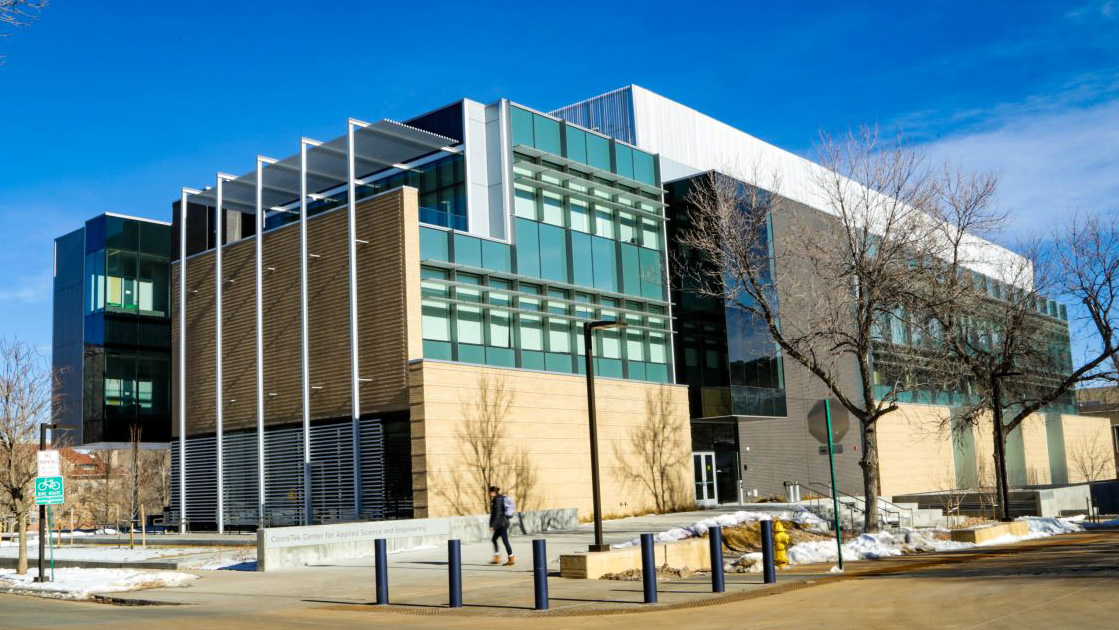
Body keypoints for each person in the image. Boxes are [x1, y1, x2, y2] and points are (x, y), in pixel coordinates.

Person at [488, 485, 514, 566]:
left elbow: (497, 514)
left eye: (489, 492)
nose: (488, 494)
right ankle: (497, 557)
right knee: (494, 539)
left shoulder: (497, 500)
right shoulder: (497, 499)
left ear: (493, 492)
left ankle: (511, 558)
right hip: (500, 523)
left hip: (501, 524)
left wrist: (492, 525)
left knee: (505, 541)